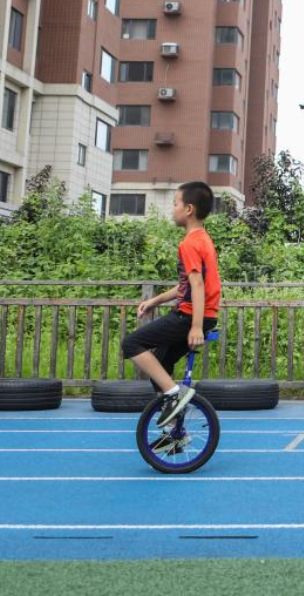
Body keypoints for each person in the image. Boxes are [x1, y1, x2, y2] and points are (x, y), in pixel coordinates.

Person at [122, 182, 221, 428]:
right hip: (202, 314)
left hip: (190, 317)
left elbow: (197, 286)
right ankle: (175, 431)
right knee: (161, 363)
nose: (171, 209)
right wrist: (155, 300)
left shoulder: (189, 243)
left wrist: (196, 327)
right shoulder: (203, 239)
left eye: (175, 203)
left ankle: (175, 395)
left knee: (131, 343)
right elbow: (186, 287)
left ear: (188, 209)